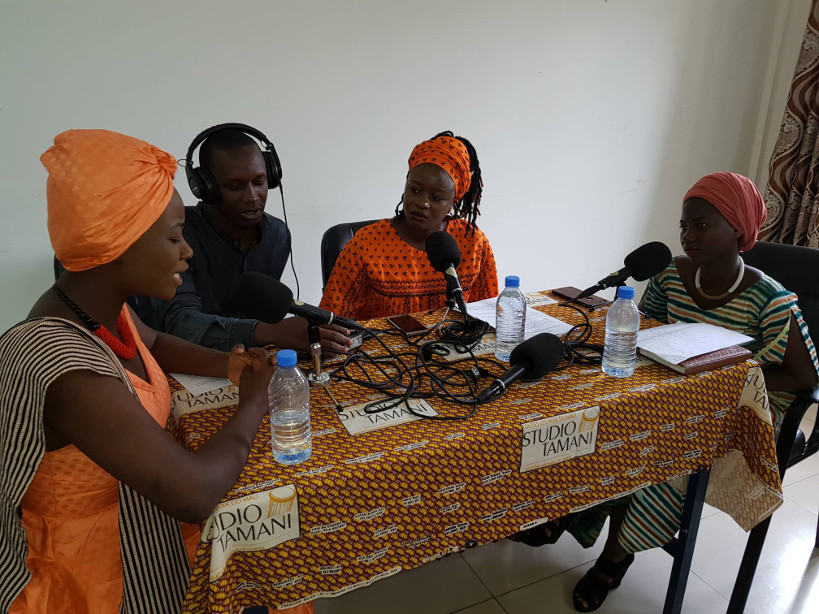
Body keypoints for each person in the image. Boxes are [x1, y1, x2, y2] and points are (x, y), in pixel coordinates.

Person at [0, 129, 310, 614]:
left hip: (144, 528)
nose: (187, 252)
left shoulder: (95, 309)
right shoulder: (62, 363)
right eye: (173, 238)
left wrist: (228, 364)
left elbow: (156, 342)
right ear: (116, 246)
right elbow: (194, 493)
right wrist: (253, 400)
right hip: (92, 578)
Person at [521, 171, 818, 612]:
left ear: (738, 229)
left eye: (702, 225)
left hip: (739, 408)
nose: (688, 235)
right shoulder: (670, 276)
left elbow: (805, 378)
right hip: (671, 392)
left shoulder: (769, 299)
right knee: (598, 421)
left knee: (654, 453)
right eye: (684, 225)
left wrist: (725, 378)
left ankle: (614, 558)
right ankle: (565, 511)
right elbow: (645, 332)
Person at [139, 124, 352, 354]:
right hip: (178, 363)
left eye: (259, 182)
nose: (252, 197)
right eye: (235, 186)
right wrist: (272, 332)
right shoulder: (177, 235)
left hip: (247, 360)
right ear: (205, 187)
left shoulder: (278, 235)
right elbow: (179, 324)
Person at [318, 130, 499, 320]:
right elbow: (330, 322)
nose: (422, 203)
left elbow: (487, 316)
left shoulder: (473, 243)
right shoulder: (365, 245)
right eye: (415, 190)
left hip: (453, 347)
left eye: (436, 197)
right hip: (380, 348)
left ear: (455, 199)